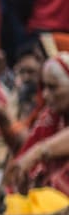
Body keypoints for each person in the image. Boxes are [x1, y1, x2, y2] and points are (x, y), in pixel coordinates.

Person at [4, 53, 69, 194]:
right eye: (43, 86)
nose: (45, 94)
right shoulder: (51, 118)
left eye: (53, 87)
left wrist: (39, 152)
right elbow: (24, 154)